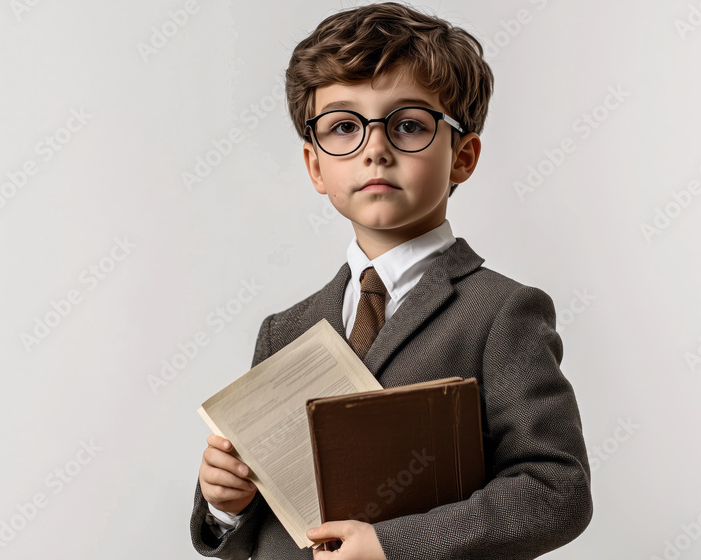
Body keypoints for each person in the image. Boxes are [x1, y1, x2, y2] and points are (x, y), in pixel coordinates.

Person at [190, 3, 592, 558]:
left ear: (463, 156)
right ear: (315, 166)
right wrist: (222, 506)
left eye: (407, 124)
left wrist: (393, 546)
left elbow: (556, 491)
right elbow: (266, 526)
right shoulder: (283, 331)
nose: (375, 149)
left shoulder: (502, 312)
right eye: (344, 127)